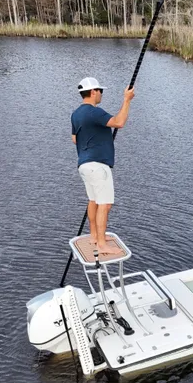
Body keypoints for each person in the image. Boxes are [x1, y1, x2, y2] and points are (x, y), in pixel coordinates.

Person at [71, 77, 135, 254]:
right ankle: (101, 244)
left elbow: (74, 138)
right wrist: (127, 100)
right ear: (93, 92)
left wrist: (96, 135)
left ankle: (94, 236)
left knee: (94, 201)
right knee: (105, 204)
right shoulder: (94, 112)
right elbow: (119, 122)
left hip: (84, 165)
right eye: (101, 91)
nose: (101, 94)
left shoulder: (76, 114)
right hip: (98, 166)